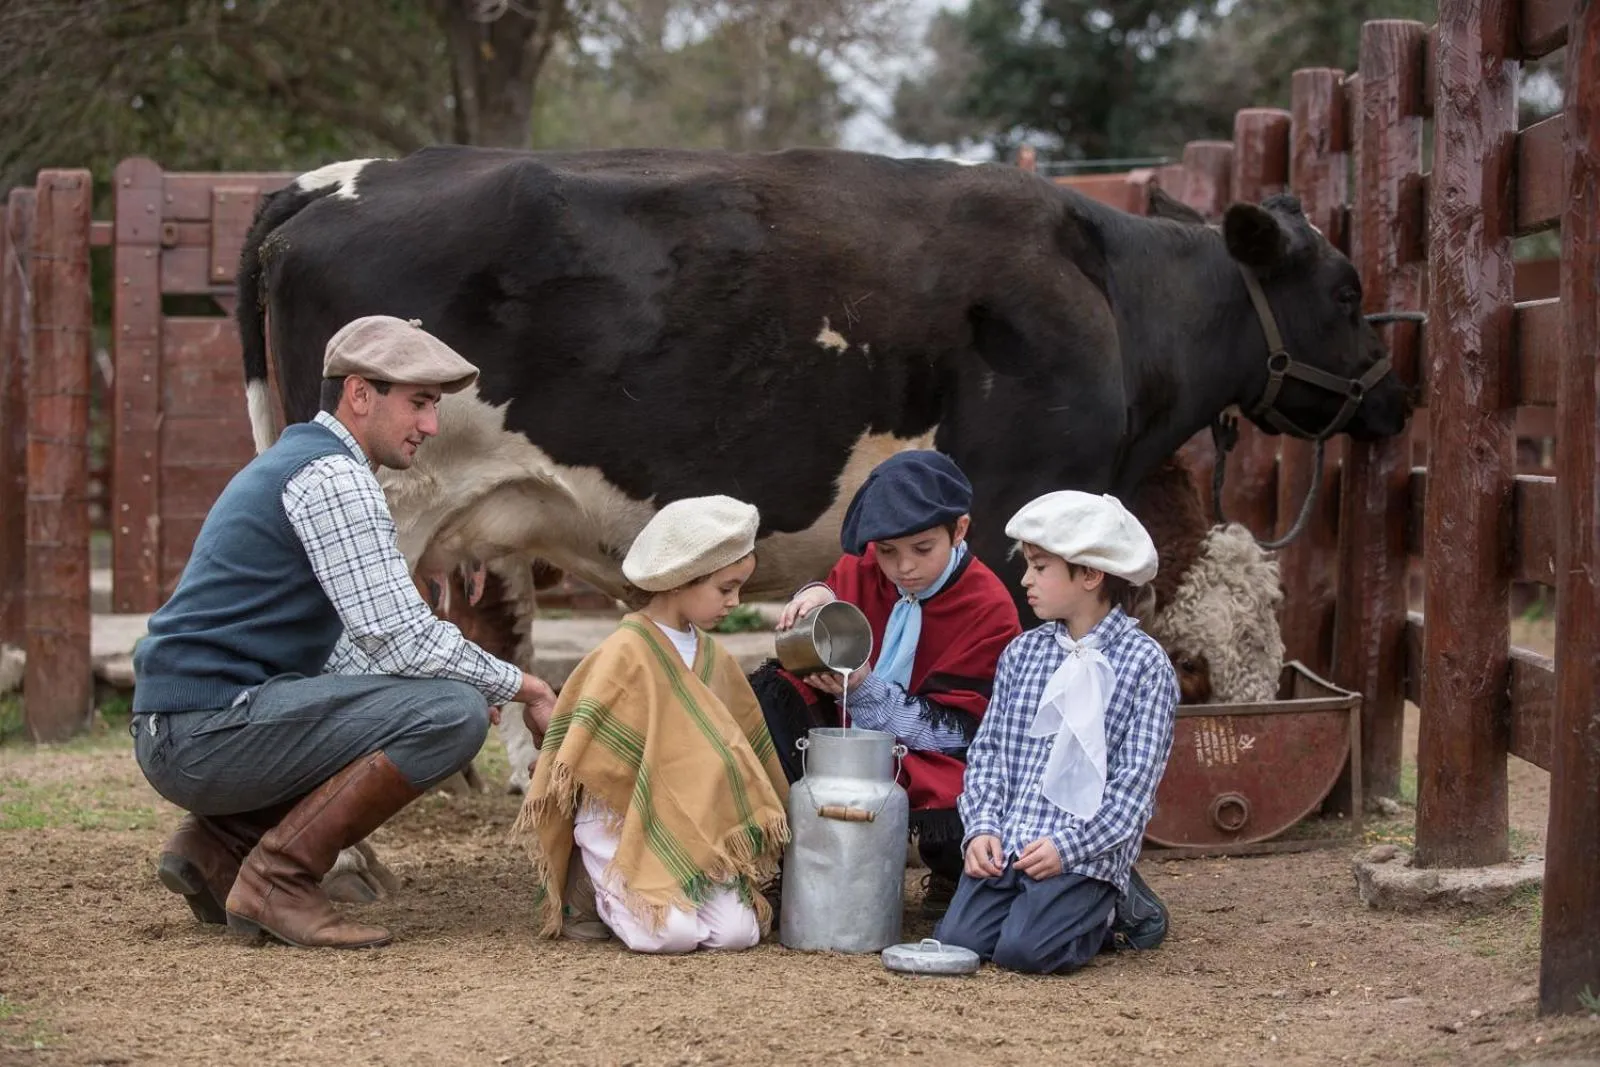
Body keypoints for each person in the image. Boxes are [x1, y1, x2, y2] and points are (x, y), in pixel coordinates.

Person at [131, 315, 558, 950]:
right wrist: (523, 686)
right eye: (418, 403)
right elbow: (402, 637)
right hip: (203, 732)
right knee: (450, 716)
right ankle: (279, 878)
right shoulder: (334, 478)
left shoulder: (300, 462)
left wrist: (455, 672)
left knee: (429, 695)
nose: (431, 426)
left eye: (434, 407)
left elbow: (350, 650)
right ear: (360, 395)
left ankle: (218, 844)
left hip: (185, 724)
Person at [513, 496, 790, 954]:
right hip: (621, 824)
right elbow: (593, 760)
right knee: (671, 937)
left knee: (739, 934)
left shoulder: (715, 658)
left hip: (696, 824)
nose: (735, 601)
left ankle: (676, 882)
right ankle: (593, 888)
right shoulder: (623, 652)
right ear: (682, 579)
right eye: (726, 588)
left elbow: (741, 746)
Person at [749, 450, 1021, 917]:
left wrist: (865, 688)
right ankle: (809, 855)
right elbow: (837, 595)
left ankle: (949, 871)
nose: (903, 568)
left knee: (973, 810)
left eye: (922, 549)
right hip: (846, 733)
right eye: (887, 551)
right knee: (770, 691)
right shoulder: (863, 567)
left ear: (959, 530)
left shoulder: (988, 606)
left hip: (935, 758)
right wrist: (815, 594)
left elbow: (963, 733)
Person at [933, 490, 1179, 974]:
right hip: (1012, 842)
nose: (1025, 579)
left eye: (1040, 567)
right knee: (958, 944)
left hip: (1085, 851)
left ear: (1090, 574)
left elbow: (1133, 791)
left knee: (1024, 953)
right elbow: (989, 755)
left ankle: (1119, 909)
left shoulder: (1146, 667)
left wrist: (1068, 849)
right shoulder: (1022, 654)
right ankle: (1041, 909)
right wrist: (982, 827)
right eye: (1028, 564)